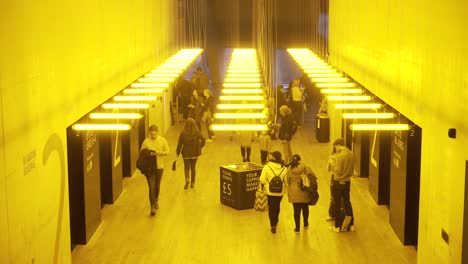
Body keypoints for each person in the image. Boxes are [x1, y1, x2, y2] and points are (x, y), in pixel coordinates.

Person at [140, 125, 170, 216]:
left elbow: (167, 152)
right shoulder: (146, 142)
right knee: (151, 187)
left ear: (157, 133)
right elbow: (141, 153)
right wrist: (148, 153)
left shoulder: (162, 141)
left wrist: (157, 153)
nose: (153, 136)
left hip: (159, 167)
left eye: (154, 134)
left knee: (157, 185)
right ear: (149, 133)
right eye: (151, 134)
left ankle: (156, 199)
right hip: (149, 169)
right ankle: (152, 206)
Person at [330, 138, 355, 232]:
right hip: (347, 182)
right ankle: (351, 224)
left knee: (337, 204)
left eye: (335, 147)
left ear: (338, 145)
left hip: (338, 182)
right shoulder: (351, 154)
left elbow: (338, 171)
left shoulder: (340, 156)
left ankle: (337, 226)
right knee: (347, 202)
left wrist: (333, 164)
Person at [286, 154, 315, 233]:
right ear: (300, 160)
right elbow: (313, 176)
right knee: (305, 208)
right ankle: (305, 224)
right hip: (304, 190)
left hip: (294, 191)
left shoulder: (289, 169)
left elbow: (288, 181)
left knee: (296, 211)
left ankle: (297, 228)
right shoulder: (306, 167)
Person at [259, 151, 287, 234]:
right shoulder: (284, 168)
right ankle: (276, 219)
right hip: (280, 192)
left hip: (270, 191)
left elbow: (262, 180)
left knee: (271, 208)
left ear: (274, 158)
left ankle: (273, 225)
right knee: (277, 205)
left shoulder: (267, 167)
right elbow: (286, 181)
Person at [176, 118, 206, 189]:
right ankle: (193, 183)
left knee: (186, 167)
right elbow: (203, 139)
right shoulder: (197, 131)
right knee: (193, 168)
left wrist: (178, 152)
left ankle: (187, 179)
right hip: (195, 153)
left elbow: (180, 143)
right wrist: (200, 146)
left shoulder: (183, 132)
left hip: (186, 153)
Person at [326, 145, 337, 221]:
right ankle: (341, 214)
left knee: (333, 196)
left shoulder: (332, 157)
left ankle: (332, 214)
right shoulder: (347, 156)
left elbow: (328, 169)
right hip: (345, 179)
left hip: (335, 178)